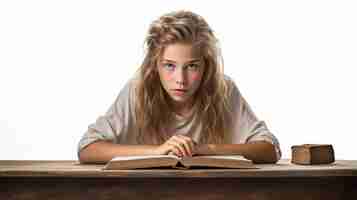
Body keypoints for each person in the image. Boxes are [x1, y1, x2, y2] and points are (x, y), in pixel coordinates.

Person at [78, 10, 281, 164]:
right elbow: (87, 148)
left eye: (192, 66)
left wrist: (202, 149)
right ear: (155, 65)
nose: (180, 79)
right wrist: (158, 151)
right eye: (169, 66)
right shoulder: (138, 88)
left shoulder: (222, 88)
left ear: (206, 65)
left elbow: (269, 149)